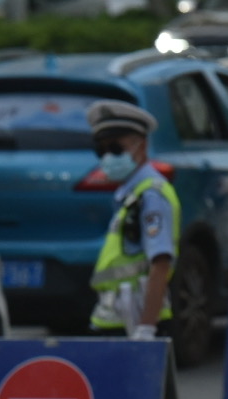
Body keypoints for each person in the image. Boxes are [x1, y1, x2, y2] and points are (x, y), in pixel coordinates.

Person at [84, 100, 179, 342]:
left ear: (142, 146)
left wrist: (146, 329)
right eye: (101, 150)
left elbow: (160, 263)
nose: (107, 157)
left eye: (116, 149)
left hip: (134, 323)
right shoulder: (130, 195)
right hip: (114, 320)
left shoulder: (151, 195)